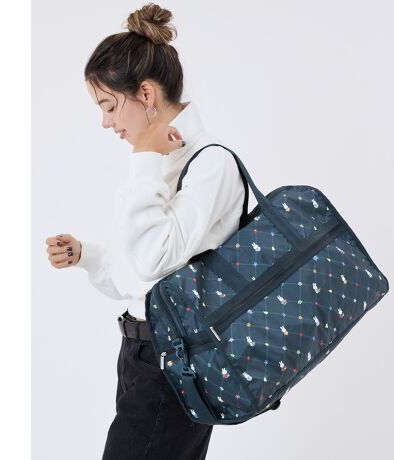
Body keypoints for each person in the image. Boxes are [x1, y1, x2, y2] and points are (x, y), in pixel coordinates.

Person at [45, 3, 246, 459]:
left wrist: (145, 158)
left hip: (174, 361)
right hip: (142, 357)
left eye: (109, 106)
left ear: (146, 94)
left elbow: (153, 259)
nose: (106, 122)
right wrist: (88, 255)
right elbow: (138, 276)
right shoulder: (163, 162)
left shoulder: (210, 164)